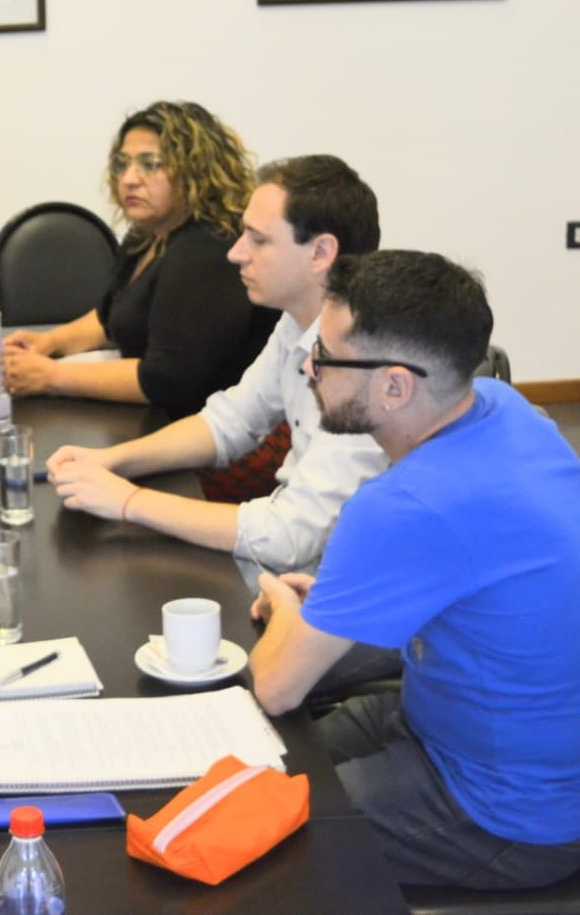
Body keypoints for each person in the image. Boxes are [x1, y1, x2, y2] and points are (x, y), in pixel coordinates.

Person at [249, 250, 580, 890]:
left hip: (508, 815)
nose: (309, 367)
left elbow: (275, 686)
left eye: (326, 356)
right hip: (460, 719)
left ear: (396, 387)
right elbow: (472, 565)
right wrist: (353, 598)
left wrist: (289, 614)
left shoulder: (405, 503)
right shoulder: (501, 407)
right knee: (255, 766)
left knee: (259, 842)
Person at [46, 155, 388, 587]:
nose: (235, 252)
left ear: (321, 252)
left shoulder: (366, 367)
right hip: (294, 576)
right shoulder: (297, 319)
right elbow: (230, 421)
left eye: (258, 240)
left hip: (336, 594)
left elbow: (288, 536)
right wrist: (114, 460)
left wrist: (129, 502)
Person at [2, 101, 276, 417]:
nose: (129, 179)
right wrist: (49, 343)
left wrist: (50, 376)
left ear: (196, 172)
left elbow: (165, 380)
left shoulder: (207, 249)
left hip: (218, 428)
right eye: (122, 164)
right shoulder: (146, 235)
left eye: (151, 164)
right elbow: (112, 318)